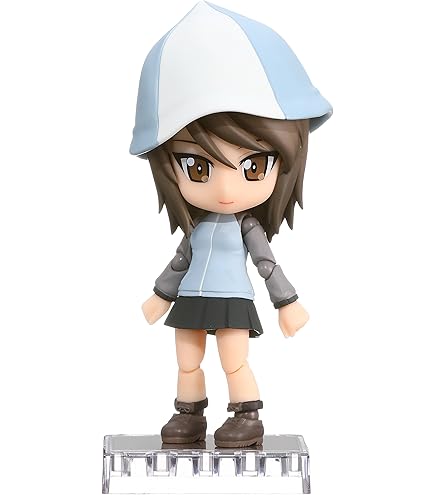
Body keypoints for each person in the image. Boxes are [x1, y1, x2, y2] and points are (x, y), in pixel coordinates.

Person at [129, 2, 332, 448]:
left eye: (254, 166)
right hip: (191, 297)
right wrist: (160, 295)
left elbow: (266, 264)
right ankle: (189, 414)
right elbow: (180, 262)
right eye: (197, 167)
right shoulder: (197, 229)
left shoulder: (246, 228)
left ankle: (246, 415)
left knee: (233, 359)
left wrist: (287, 302)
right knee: (187, 358)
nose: (225, 189)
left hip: (232, 299)